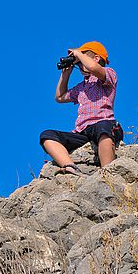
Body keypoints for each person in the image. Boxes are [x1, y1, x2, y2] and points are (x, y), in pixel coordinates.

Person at [39, 41, 124, 175]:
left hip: (104, 123)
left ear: (96, 58)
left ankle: (108, 173)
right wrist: (65, 74)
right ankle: (69, 166)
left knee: (104, 129)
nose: (79, 65)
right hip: (83, 131)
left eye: (80, 62)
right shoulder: (81, 87)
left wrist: (78, 53)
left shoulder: (108, 73)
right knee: (47, 136)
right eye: (78, 63)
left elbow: (93, 68)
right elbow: (60, 97)